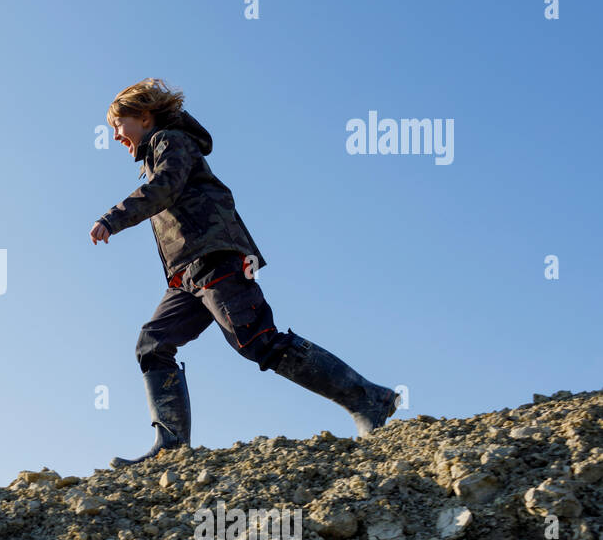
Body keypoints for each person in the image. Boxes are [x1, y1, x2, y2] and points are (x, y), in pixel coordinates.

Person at [90, 78, 398, 468]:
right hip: (187, 274)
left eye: (118, 125)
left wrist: (112, 219)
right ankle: (170, 448)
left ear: (145, 116)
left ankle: (367, 398)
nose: (115, 135)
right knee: (152, 344)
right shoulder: (155, 152)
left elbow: (164, 189)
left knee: (258, 341)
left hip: (216, 258)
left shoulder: (172, 141)